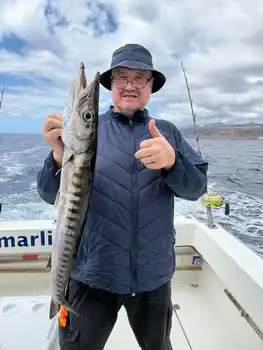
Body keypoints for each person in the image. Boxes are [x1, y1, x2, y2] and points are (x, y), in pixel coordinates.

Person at [37, 43, 208, 350]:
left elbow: (196, 189)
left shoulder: (167, 132)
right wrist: (58, 154)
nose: (130, 84)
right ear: (111, 85)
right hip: (93, 277)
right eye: (121, 77)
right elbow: (49, 194)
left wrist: (173, 163)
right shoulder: (88, 130)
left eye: (140, 77)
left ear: (150, 86)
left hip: (153, 279)